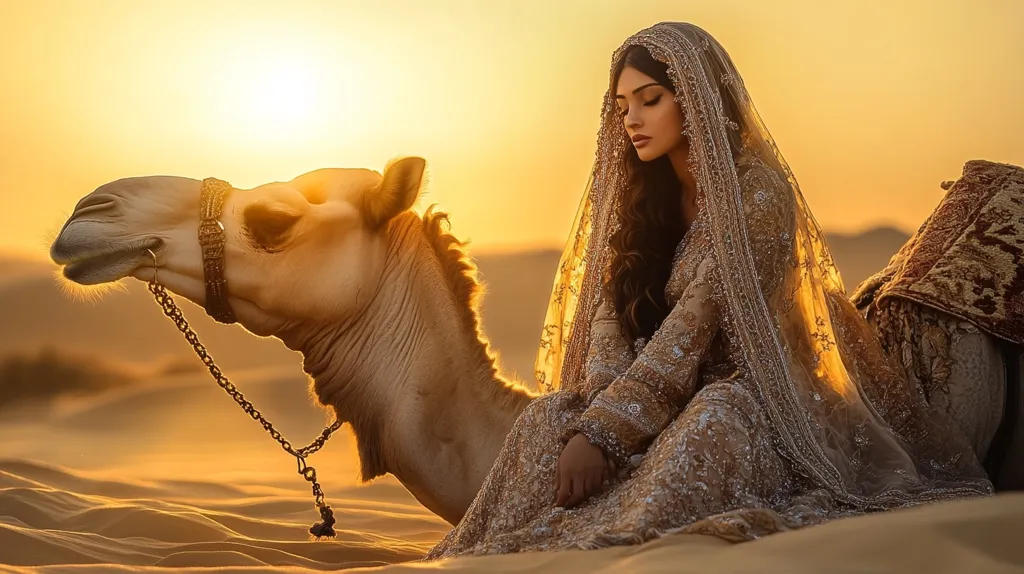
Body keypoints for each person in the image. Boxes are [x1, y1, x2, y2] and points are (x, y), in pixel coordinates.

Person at [424, 21, 993, 558]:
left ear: (695, 99)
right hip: (656, 398)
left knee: (711, 416)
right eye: (623, 106)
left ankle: (601, 548)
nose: (632, 119)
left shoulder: (760, 197)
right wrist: (592, 411)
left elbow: (693, 328)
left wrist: (607, 432)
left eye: (650, 99)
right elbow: (609, 320)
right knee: (549, 417)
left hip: (755, 397)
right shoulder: (640, 201)